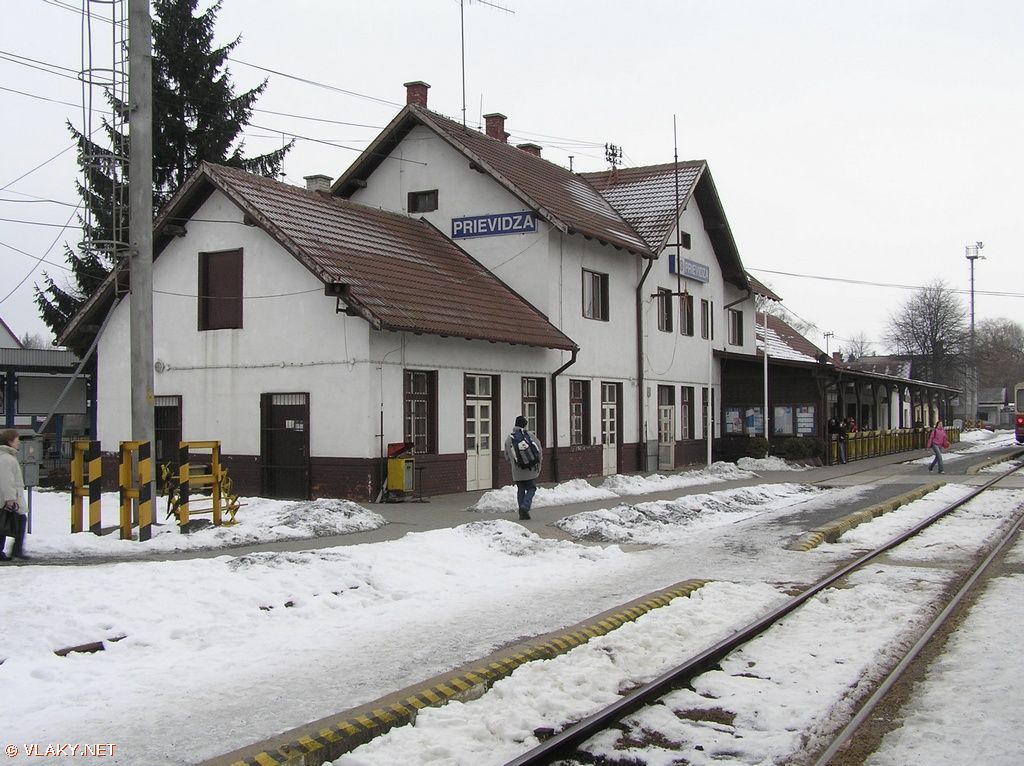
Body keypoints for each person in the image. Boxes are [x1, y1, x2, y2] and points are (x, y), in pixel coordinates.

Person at [503, 416, 542, 520]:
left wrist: (514, 463)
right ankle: (525, 506)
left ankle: (522, 511)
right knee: (531, 488)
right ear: (525, 425)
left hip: (517, 471)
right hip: (530, 470)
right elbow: (538, 450)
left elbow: (506, 456)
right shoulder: (530, 436)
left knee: (521, 489)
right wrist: (538, 464)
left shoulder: (509, 438)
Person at [0, 428, 29, 561]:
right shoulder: (6, 459)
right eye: (17, 440)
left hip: (8, 498)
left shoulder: (7, 457)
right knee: (15, 521)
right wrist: (10, 499)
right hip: (8, 499)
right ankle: (16, 551)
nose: (19, 443)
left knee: (7, 523)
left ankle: (15, 550)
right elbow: (7, 480)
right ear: (10, 441)